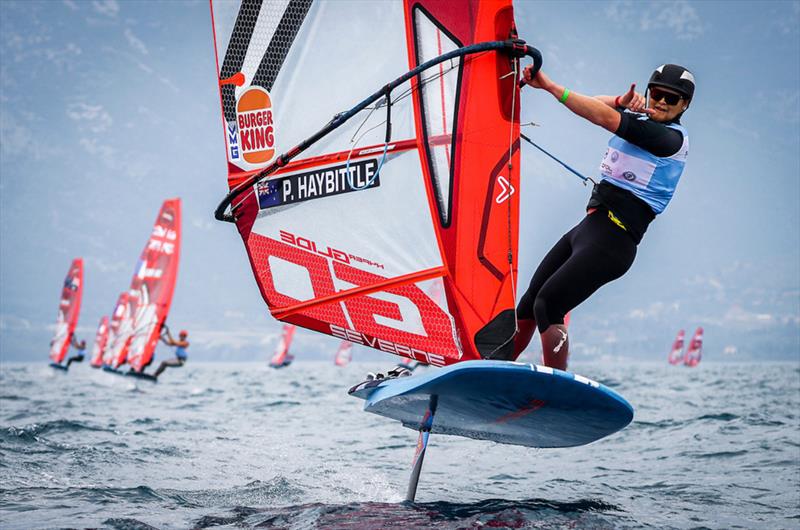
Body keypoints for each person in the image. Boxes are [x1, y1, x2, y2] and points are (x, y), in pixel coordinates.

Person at [513, 64, 694, 370]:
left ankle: (555, 389)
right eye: (657, 94)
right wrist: (620, 101)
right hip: (590, 229)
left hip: (613, 242)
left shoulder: (669, 140)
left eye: (671, 99)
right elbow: (597, 104)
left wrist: (549, 85)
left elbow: (599, 116)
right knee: (529, 303)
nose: (662, 102)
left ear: (684, 105)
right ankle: (494, 369)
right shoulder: (641, 119)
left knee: (549, 304)